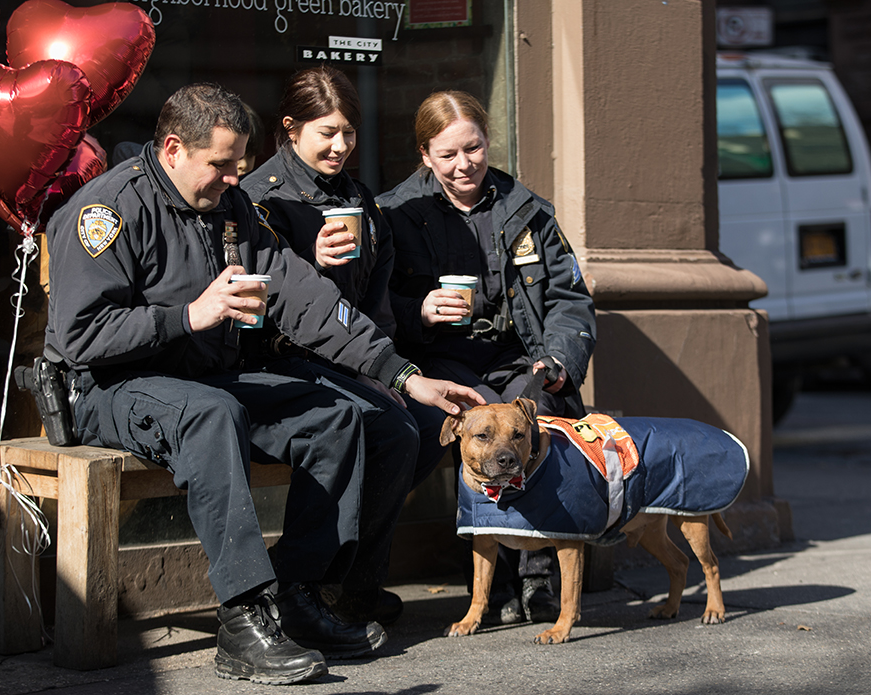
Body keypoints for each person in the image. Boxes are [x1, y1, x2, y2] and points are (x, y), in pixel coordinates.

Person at [44, 82, 483, 686]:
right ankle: (244, 618)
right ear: (173, 149)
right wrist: (189, 315)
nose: (234, 179)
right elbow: (80, 338)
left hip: (204, 374)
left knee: (337, 416)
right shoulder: (107, 212)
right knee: (212, 414)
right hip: (111, 386)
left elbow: (305, 300)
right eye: (221, 165)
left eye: (240, 166)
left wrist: (406, 377)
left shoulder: (231, 209)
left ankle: (299, 592)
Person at [376, 90, 597, 626]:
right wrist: (418, 311)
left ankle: (540, 577)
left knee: (544, 411)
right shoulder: (396, 214)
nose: (463, 164)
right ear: (424, 155)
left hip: (520, 357)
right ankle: (494, 582)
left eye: (472, 148)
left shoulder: (526, 210)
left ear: (487, 142)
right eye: (447, 154)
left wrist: (558, 359)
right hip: (437, 362)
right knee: (476, 421)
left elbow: (570, 299)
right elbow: (371, 304)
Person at [241, 67, 448, 626]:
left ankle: (350, 583)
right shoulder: (258, 202)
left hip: (354, 361)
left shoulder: (360, 200)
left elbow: (376, 305)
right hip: (277, 363)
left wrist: (387, 371)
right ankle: (314, 587)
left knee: (429, 428)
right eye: (326, 132)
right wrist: (309, 263)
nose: (340, 146)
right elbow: (252, 306)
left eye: (350, 133)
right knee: (389, 430)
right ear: (290, 128)